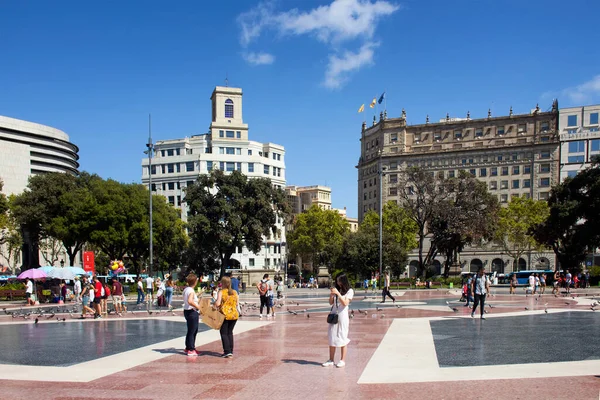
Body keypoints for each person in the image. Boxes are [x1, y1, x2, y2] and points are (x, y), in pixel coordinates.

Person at [322, 273, 354, 368]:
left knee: (342, 336)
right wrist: (332, 295)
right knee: (332, 337)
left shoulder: (350, 291)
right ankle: (331, 359)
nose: (338, 283)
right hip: (334, 315)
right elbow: (331, 302)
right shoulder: (337, 289)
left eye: (340, 281)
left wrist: (338, 294)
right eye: (337, 281)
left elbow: (345, 303)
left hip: (342, 316)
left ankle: (342, 360)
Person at [214, 276, 239, 358]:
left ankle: (227, 351)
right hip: (234, 314)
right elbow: (237, 303)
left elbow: (217, 304)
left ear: (223, 283)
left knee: (223, 333)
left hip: (225, 314)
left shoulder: (221, 292)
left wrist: (215, 304)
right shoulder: (234, 292)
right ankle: (231, 350)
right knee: (230, 332)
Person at [182, 274, 201, 356]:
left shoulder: (186, 289)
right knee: (193, 330)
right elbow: (190, 301)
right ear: (195, 281)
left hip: (187, 311)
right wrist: (198, 307)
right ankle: (191, 349)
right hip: (192, 311)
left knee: (190, 330)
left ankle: (188, 347)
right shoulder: (191, 291)